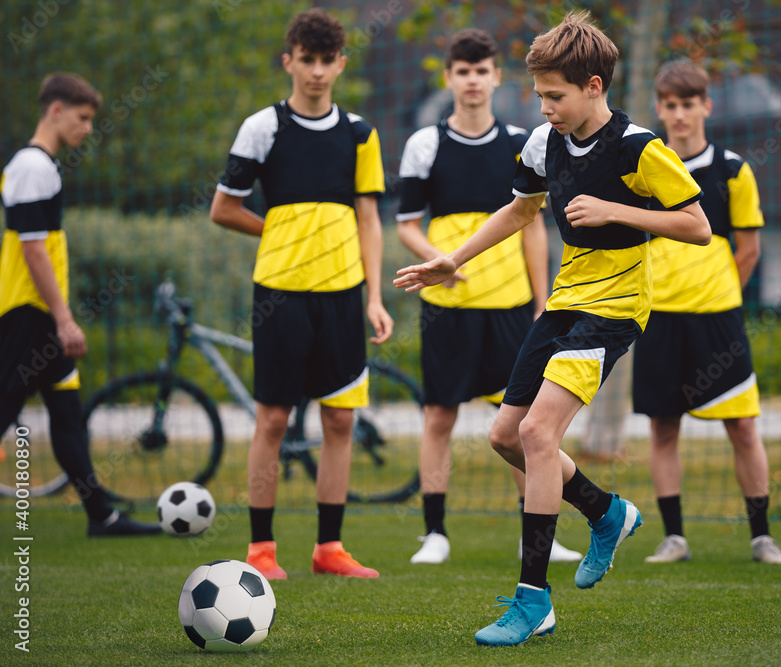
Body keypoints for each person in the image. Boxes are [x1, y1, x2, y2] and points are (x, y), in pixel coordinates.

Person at [395, 11, 710, 646]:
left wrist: (617, 209)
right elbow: (520, 209)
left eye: (555, 95)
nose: (544, 106)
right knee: (506, 436)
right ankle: (606, 511)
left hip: (617, 304)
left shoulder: (639, 147)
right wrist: (452, 258)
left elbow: (697, 224)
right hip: (567, 299)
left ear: (595, 86)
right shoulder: (543, 142)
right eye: (539, 94)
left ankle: (533, 600)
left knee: (538, 433)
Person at [210, 8, 393, 580]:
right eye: (305, 60)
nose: (316, 72)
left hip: (344, 296)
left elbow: (369, 218)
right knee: (272, 419)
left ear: (340, 64)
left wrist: (374, 297)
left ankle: (328, 549)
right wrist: (282, 231)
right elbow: (224, 209)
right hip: (281, 295)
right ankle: (261, 551)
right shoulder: (261, 127)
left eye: (326, 61)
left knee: (340, 421)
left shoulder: (361, 133)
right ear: (289, 61)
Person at [397, 28, 581, 565]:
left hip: (510, 308)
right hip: (447, 308)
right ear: (450, 77)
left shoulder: (524, 142)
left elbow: (529, 226)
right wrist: (439, 260)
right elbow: (407, 224)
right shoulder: (425, 143)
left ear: (497, 77)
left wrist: (541, 297)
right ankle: (435, 532)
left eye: (483, 71)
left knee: (523, 424)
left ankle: (536, 533)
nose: (473, 80)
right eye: (463, 71)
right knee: (438, 416)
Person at [633, 61, 781, 565]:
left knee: (743, 427)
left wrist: (719, 291)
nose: (679, 115)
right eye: (670, 105)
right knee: (663, 428)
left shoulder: (733, 170)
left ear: (707, 106)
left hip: (719, 320)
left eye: (688, 104)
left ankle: (761, 536)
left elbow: (749, 250)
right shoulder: (644, 169)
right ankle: (674, 537)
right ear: (659, 108)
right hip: (657, 318)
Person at [0, 73, 160, 538]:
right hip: (28, 315)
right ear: (55, 110)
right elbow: (32, 251)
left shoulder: (40, 166)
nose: (88, 128)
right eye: (83, 118)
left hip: (39, 314)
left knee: (67, 416)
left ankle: (101, 517)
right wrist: (64, 319)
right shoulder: (33, 167)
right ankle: (102, 516)